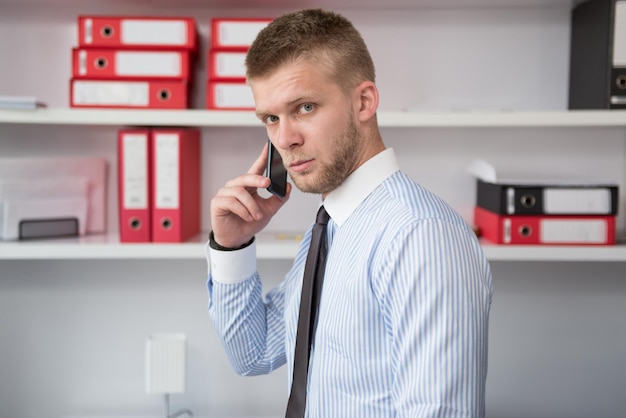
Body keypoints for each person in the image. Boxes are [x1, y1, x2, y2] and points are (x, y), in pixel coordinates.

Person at [206, 8, 493, 418]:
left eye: (304, 107)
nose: (285, 139)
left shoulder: (419, 235)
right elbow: (254, 353)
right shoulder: (332, 226)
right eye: (271, 118)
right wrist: (231, 246)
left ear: (364, 101)